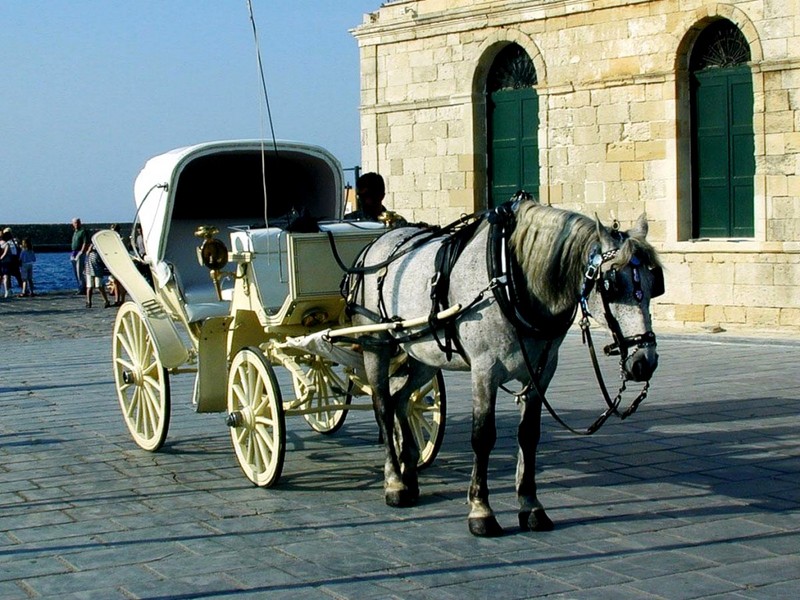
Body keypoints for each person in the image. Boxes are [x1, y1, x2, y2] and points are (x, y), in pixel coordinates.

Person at [84, 231, 110, 308]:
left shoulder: (100, 247)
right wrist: (89, 250)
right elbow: (87, 254)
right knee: (89, 286)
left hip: (98, 269)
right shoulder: (90, 246)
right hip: (89, 268)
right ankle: (88, 302)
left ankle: (106, 301)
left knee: (99, 285)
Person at [107, 224, 127, 305]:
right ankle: (117, 299)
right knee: (115, 281)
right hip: (114, 261)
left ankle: (122, 299)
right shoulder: (110, 240)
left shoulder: (122, 239)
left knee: (122, 281)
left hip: (121, 261)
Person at [70, 218, 89, 294]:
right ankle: (80, 286)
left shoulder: (83, 231)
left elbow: (85, 242)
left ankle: (82, 288)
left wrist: (82, 251)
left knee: (79, 271)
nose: (76, 224)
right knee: (75, 271)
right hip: (73, 252)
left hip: (79, 252)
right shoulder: (75, 232)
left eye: (78, 222)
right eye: (75, 223)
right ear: (73, 224)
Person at [0, 228, 17, 298]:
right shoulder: (5, 243)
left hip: (4, 262)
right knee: (6, 276)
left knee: (3, 277)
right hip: (5, 261)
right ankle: (7, 291)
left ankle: (6, 291)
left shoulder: (5, 243)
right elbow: (6, 252)